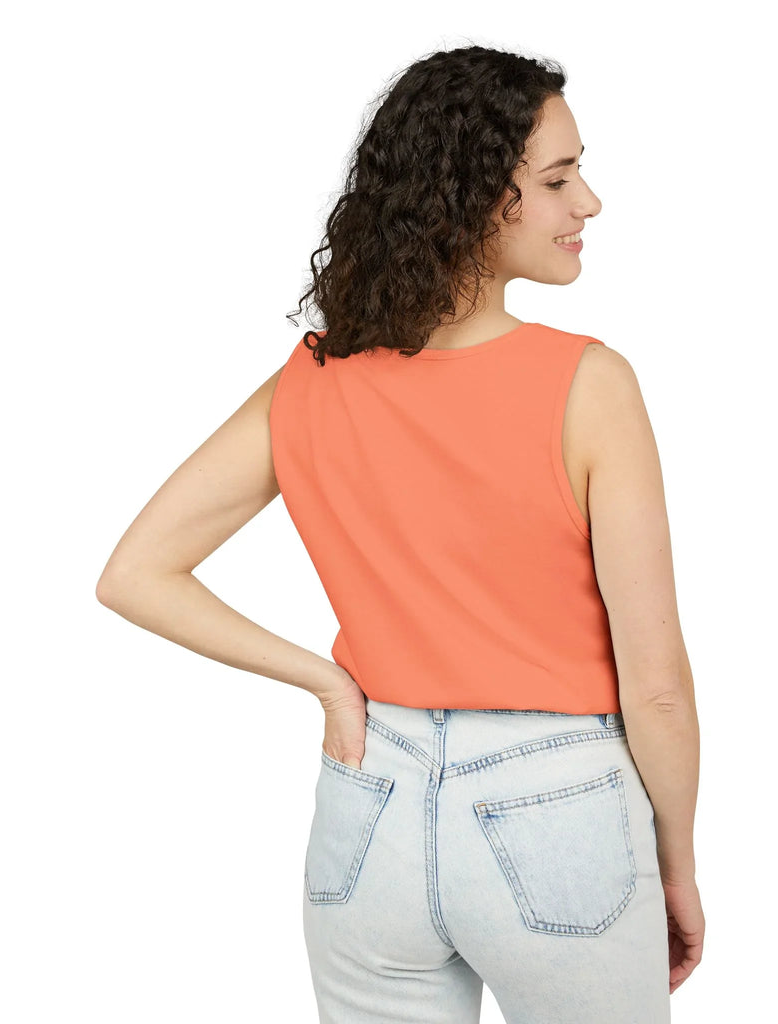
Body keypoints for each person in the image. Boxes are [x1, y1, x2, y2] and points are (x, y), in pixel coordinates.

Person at [97, 44, 703, 1024]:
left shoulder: (312, 379)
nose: (587, 202)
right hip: (560, 812)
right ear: (471, 198)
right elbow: (659, 689)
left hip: (366, 803)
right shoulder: (589, 387)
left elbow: (134, 572)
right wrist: (672, 860)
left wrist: (330, 681)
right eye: (556, 180)